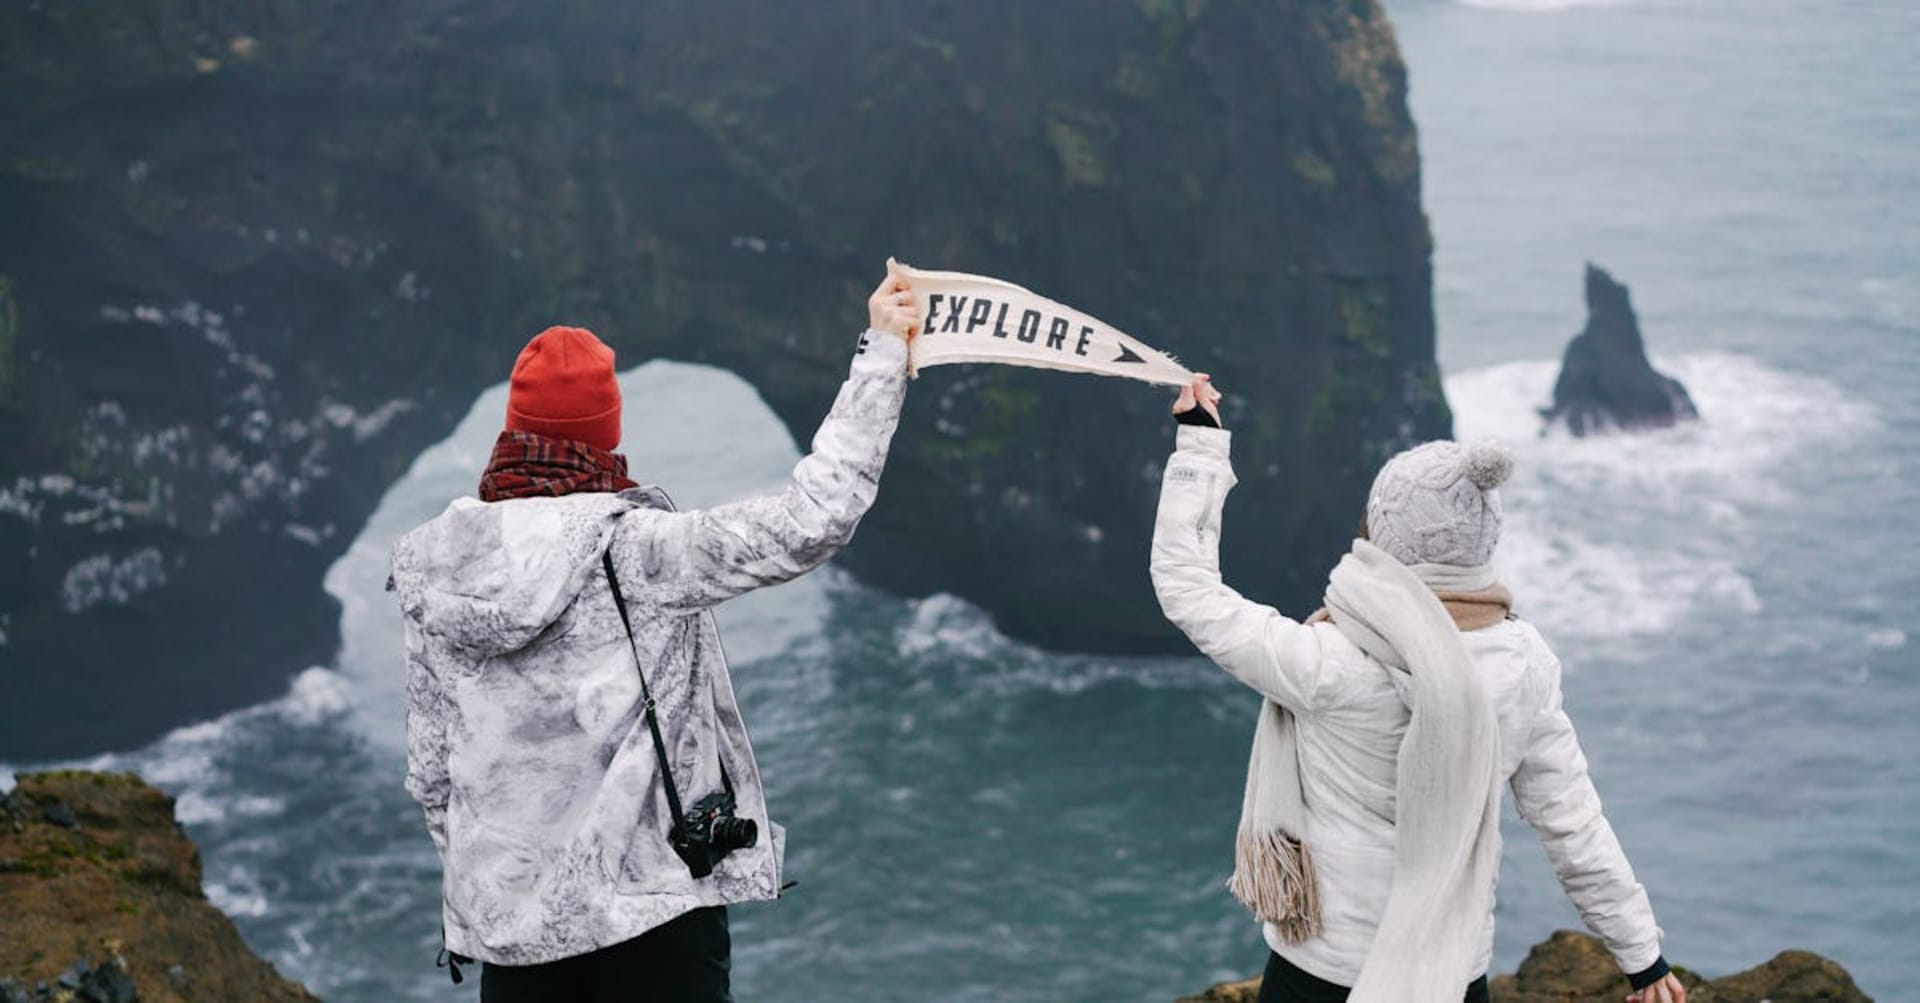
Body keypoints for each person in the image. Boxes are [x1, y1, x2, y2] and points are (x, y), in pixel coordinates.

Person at [389, 267, 920, 1002]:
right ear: (606, 434)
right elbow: (813, 517)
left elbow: (432, 772)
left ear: (514, 430)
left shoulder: (434, 567)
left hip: (517, 943)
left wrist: (500, 897)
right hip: (654, 925)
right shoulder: (640, 552)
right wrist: (883, 354)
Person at [1149, 375, 1686, 1003]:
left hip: (1322, 974)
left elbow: (1187, 588)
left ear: (1385, 537)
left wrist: (1200, 449)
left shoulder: (1331, 659)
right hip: (1451, 977)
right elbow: (1572, 823)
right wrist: (1642, 958)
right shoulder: (1524, 664)